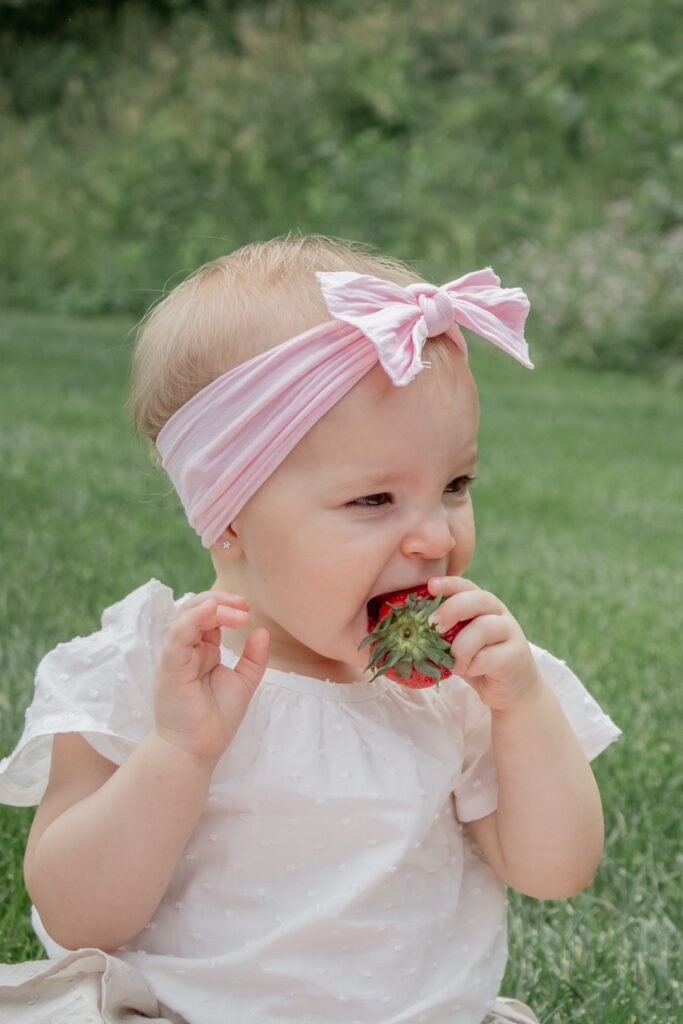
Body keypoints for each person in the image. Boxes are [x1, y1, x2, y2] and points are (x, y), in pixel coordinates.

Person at [0, 235, 620, 1024]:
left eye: (455, 485)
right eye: (374, 501)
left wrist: (523, 708)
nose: (433, 537)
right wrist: (178, 754)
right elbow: (75, 913)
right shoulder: (146, 667)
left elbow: (553, 870)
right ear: (228, 517)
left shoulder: (466, 686)